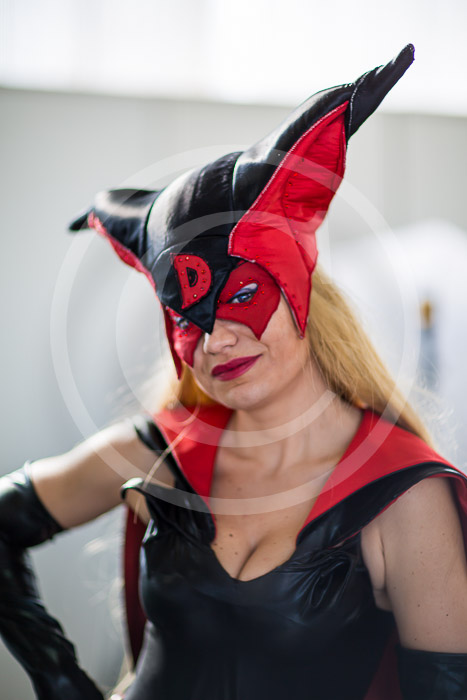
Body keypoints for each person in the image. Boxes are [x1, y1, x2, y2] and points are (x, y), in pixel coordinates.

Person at [1, 43, 467, 700]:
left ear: (298, 290)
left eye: (242, 295)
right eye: (187, 317)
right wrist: (58, 677)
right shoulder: (165, 450)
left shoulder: (404, 496)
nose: (217, 339)